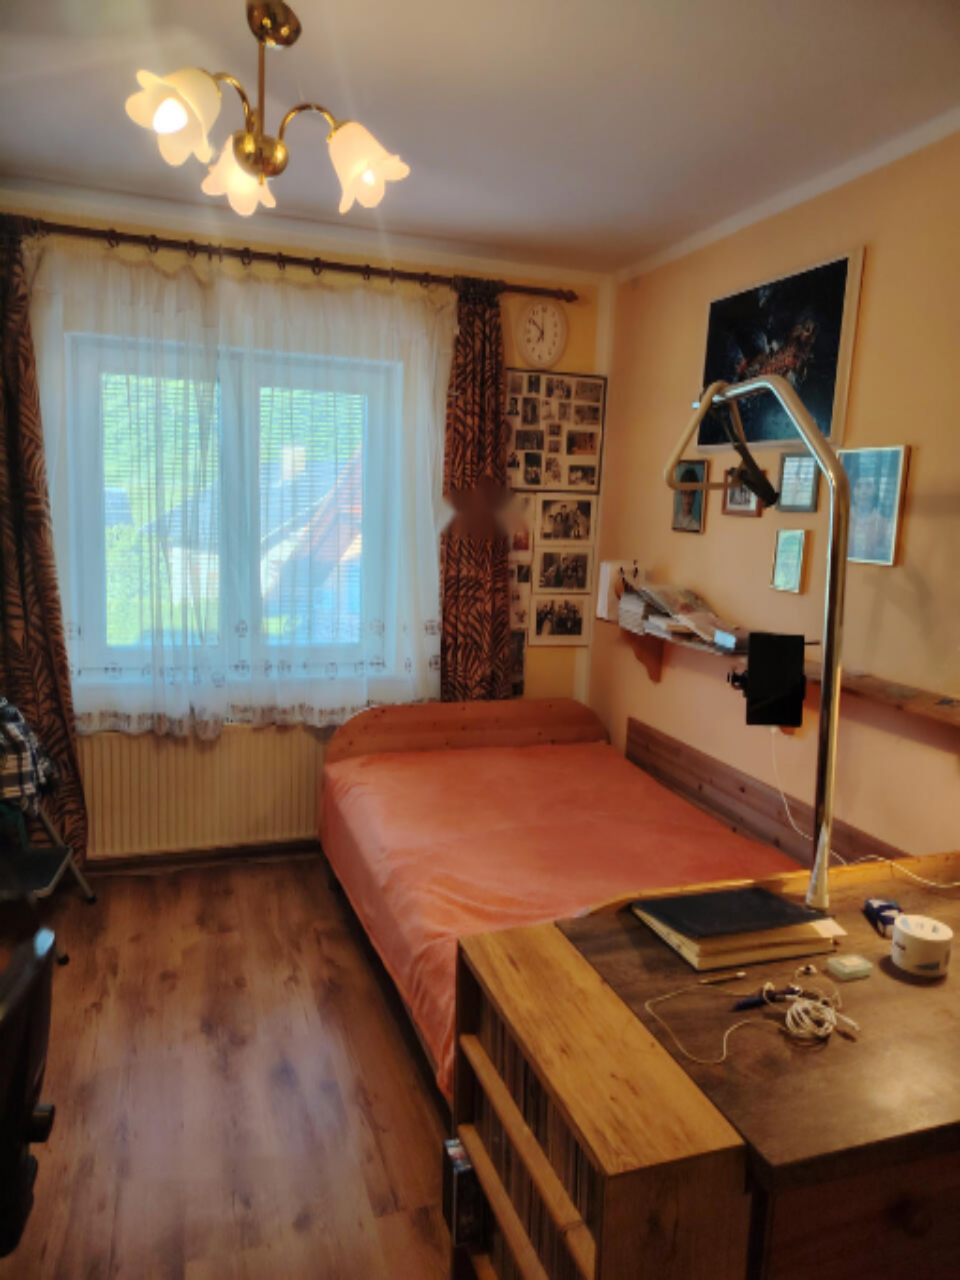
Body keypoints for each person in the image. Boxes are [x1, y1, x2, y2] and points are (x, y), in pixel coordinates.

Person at [848, 463, 893, 561]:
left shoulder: (884, 524)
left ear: (876, 490)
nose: (863, 492)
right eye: (858, 486)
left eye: (868, 485)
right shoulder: (841, 520)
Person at [673, 467, 702, 531]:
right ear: (680, 493)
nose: (688, 497)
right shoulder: (674, 521)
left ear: (694, 495)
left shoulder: (696, 526)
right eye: (685, 492)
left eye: (691, 493)